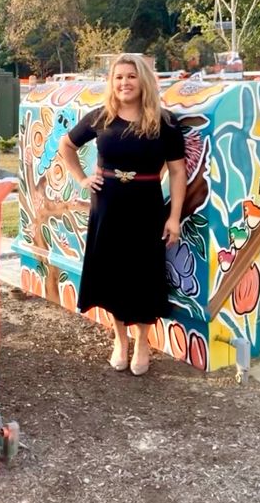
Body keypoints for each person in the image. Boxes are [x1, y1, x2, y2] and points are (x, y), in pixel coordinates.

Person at [58, 54, 187, 376]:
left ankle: (143, 341)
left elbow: (177, 172)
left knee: (143, 274)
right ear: (111, 83)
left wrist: (173, 217)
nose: (124, 83)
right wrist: (83, 178)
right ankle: (120, 339)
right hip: (108, 206)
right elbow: (66, 145)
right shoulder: (100, 118)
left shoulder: (164, 122)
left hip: (146, 207)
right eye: (118, 77)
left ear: (143, 80)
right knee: (112, 273)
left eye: (131, 76)